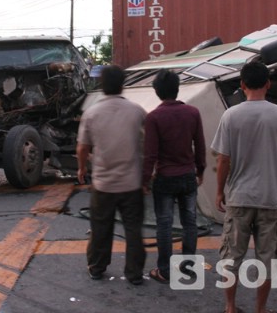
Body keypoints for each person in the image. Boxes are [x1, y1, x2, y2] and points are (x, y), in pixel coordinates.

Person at [211, 61, 277, 313]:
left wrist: (219, 191)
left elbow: (223, 159)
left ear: (242, 84)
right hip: (270, 198)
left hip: (239, 198)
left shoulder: (231, 115)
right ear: (268, 84)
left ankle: (230, 307)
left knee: (231, 257)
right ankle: (260, 309)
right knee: (267, 258)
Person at [76, 65, 147, 285]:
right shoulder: (137, 111)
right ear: (122, 85)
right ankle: (134, 273)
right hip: (132, 183)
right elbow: (148, 143)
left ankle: (97, 267)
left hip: (103, 184)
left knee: (100, 228)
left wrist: (82, 168)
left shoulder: (92, 113)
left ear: (102, 86)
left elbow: (82, 148)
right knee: (133, 229)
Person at [142, 69, 206, 284]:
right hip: (188, 175)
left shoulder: (153, 118)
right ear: (177, 89)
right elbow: (200, 144)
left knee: (165, 224)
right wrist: (201, 169)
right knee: (190, 223)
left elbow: (150, 154)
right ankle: (188, 269)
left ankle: (165, 271)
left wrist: (144, 180)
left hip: (165, 178)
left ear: (157, 92)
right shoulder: (193, 113)